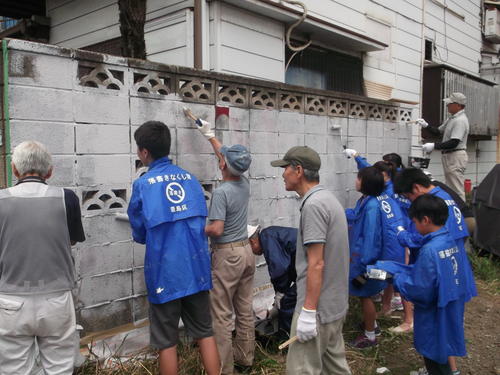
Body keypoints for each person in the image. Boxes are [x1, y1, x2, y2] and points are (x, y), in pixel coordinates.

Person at [127, 121, 220, 375]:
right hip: (197, 269)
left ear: (144, 152)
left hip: (164, 274)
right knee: (205, 332)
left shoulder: (144, 185)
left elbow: (138, 228)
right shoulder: (191, 179)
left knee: (166, 341)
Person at [0, 141, 85, 374]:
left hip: (10, 301)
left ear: (14, 170)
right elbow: (71, 240)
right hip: (56, 299)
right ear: (49, 171)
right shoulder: (66, 198)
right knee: (59, 368)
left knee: (14, 370)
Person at [271, 146, 351, 375]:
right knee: (334, 368)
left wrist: (307, 312)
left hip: (317, 308)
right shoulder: (327, 198)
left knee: (301, 370)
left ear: (298, 170)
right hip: (334, 304)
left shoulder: (314, 206)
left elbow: (316, 263)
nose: (282, 174)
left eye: (285, 168)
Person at [369, 194, 471, 375]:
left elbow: (420, 289)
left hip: (433, 313)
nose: (414, 227)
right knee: (444, 348)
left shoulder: (430, 250)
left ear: (425, 220)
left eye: (415, 222)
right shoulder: (448, 240)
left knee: (434, 356)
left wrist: (395, 277)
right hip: (450, 305)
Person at [193, 118, 254, 374]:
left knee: (220, 315)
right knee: (244, 309)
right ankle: (245, 359)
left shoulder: (221, 192)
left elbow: (216, 229)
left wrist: (195, 227)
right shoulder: (243, 183)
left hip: (227, 255)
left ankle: (223, 369)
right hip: (246, 252)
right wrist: (209, 135)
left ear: (223, 164)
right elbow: (226, 156)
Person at [393, 168, 477, 303]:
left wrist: (402, 234)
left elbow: (424, 238)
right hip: (453, 263)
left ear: (416, 187)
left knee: (440, 313)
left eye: (409, 197)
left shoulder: (432, 204)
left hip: (440, 270)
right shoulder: (444, 195)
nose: (411, 202)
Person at [346, 167, 392, 348]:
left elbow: (371, 238)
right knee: (364, 296)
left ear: (366, 182)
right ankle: (372, 324)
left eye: (358, 178)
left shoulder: (372, 206)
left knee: (366, 296)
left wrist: (365, 267)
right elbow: (355, 216)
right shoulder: (365, 200)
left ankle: (370, 336)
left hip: (367, 262)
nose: (356, 181)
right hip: (362, 259)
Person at [416, 92, 470, 201]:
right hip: (450, 156)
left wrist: (434, 145)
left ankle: (463, 215)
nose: (447, 105)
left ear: (458, 105)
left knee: (456, 189)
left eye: (450, 103)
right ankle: (455, 212)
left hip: (455, 156)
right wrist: (426, 125)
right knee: (451, 187)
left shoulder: (460, 121)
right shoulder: (452, 118)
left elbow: (454, 142)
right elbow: (438, 132)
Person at [247, 225, 297, 335]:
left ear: (252, 242)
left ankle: (286, 339)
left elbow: (280, 269)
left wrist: (281, 292)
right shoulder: (269, 235)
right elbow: (286, 267)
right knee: (289, 299)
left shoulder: (267, 238)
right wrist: (278, 296)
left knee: (287, 303)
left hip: (313, 269)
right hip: (314, 265)